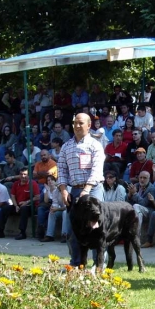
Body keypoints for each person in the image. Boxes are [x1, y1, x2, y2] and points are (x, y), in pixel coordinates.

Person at [57, 113, 105, 266]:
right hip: (75, 191)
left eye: (81, 123)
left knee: (96, 228)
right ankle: (76, 263)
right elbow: (62, 170)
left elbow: (97, 169)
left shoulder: (95, 145)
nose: (77, 126)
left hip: (94, 190)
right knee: (73, 230)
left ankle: (98, 265)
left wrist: (87, 189)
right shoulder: (66, 146)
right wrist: (64, 190)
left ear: (89, 125)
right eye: (75, 123)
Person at [10, 167, 41, 240]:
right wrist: (16, 206)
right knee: (4, 209)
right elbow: (13, 196)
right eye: (21, 174)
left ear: (29, 175)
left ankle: (22, 232)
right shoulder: (16, 184)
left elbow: (37, 197)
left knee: (24, 209)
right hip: (18, 205)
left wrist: (26, 202)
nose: (23, 176)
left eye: (25, 174)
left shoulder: (33, 183)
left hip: (30, 206)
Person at [42, 175, 66, 242]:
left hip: (69, 210)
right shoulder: (56, 191)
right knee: (52, 213)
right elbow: (55, 203)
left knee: (65, 213)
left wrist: (57, 209)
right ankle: (49, 235)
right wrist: (53, 208)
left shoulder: (68, 190)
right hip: (61, 209)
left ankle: (65, 235)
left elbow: (68, 207)